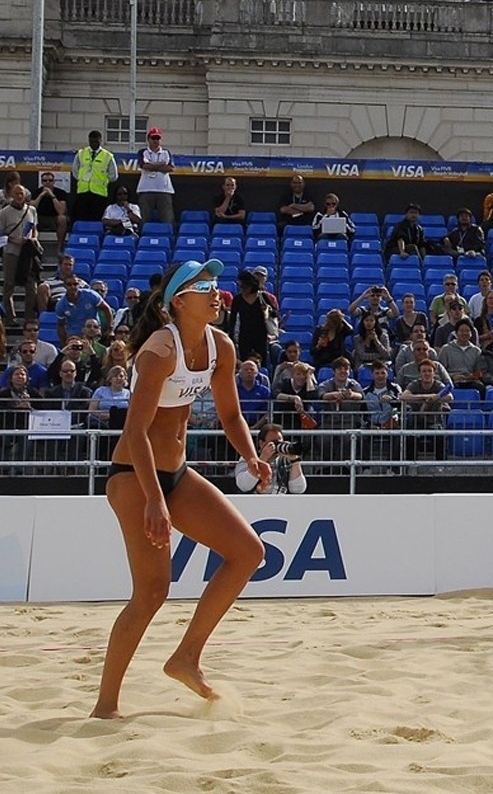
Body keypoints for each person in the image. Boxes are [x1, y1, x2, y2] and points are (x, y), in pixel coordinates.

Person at [91, 259, 271, 719]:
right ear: (177, 301)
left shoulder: (221, 346)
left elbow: (231, 417)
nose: (216, 293)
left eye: (216, 284)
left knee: (248, 552)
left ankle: (186, 657)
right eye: (203, 286)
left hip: (175, 473)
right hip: (134, 477)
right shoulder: (158, 351)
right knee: (151, 592)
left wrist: (250, 454)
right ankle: (105, 707)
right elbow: (135, 434)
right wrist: (153, 500)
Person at [1, 183, 42, 323]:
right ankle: (10, 318)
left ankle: (29, 318)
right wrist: (13, 239)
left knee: (31, 287)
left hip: (28, 253)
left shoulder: (32, 210)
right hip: (12, 252)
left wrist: (34, 238)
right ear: (12, 195)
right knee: (9, 285)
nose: (19, 196)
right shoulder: (4, 213)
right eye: (16, 193)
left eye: (21, 193)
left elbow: (35, 228)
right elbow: (1, 234)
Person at [234, 422, 307, 495]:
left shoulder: (286, 460)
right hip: (254, 502)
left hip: (280, 502)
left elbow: (298, 490)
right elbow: (243, 486)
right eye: (274, 443)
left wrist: (295, 461)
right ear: (261, 443)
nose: (277, 445)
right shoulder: (248, 458)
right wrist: (262, 460)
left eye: (280, 442)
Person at [71, 129, 121, 223]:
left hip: (99, 194)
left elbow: (113, 176)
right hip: (83, 192)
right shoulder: (81, 153)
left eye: (96, 141)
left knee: (97, 220)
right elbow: (75, 172)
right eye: (92, 141)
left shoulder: (108, 156)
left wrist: (102, 180)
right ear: (89, 140)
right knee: (81, 219)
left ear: (100, 141)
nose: (94, 143)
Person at [135, 127, 176, 228]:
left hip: (164, 189)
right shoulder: (142, 152)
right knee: (144, 218)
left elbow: (170, 168)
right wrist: (161, 165)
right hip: (146, 189)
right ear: (148, 139)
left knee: (167, 218)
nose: (156, 141)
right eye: (153, 138)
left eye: (158, 138)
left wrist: (153, 166)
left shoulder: (166, 153)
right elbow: (144, 166)